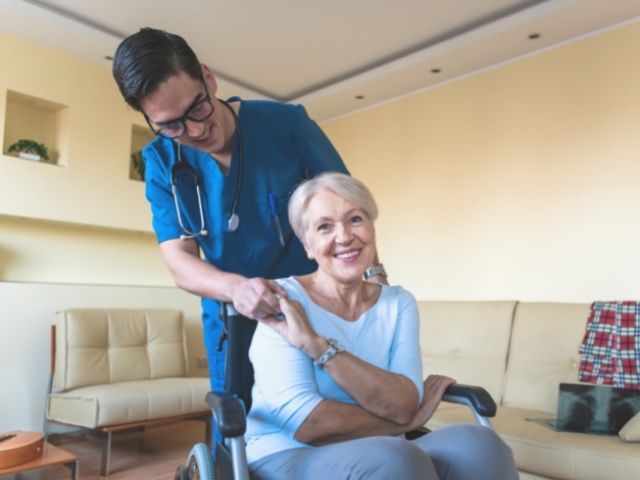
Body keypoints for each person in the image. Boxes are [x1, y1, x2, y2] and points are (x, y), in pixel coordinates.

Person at [111, 28, 379, 401]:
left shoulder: (286, 125)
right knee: (241, 431)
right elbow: (179, 261)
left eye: (197, 108)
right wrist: (237, 289)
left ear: (208, 78)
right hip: (233, 317)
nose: (196, 130)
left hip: (317, 308)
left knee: (332, 414)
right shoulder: (161, 163)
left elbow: (351, 213)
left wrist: (374, 285)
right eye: (171, 125)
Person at [246, 172, 518, 479]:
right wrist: (406, 424)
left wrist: (317, 346)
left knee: (481, 446)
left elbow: (403, 402)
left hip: (385, 447)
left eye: (355, 219)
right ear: (307, 245)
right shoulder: (283, 301)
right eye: (325, 227)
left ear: (371, 227)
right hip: (288, 453)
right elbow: (309, 425)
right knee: (397, 459)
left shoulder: (398, 303)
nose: (345, 236)